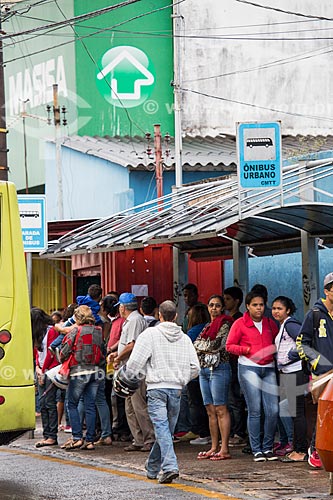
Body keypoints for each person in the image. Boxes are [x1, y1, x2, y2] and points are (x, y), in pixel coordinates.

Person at [126, 300, 200, 484]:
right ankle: (152, 467)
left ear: (160, 315)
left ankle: (169, 467)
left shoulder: (150, 334)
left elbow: (134, 364)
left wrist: (135, 377)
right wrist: (182, 379)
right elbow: (195, 367)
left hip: (156, 388)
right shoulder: (184, 338)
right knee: (165, 430)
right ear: (175, 316)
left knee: (162, 430)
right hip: (176, 389)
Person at [226, 291, 279, 462]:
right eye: (255, 305)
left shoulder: (270, 323)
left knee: (273, 410)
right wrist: (246, 350)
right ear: (247, 306)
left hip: (269, 368)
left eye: (261, 305)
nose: (259, 308)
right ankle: (256, 449)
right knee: (255, 410)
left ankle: (268, 447)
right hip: (249, 368)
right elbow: (229, 346)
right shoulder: (240, 324)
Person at [108, 292, 154, 452]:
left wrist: (118, 357)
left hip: (135, 369)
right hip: (128, 369)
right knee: (130, 406)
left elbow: (132, 345)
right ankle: (139, 438)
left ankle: (149, 438)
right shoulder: (131, 320)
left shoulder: (134, 320)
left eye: (119, 306)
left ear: (123, 307)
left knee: (139, 405)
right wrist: (117, 354)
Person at [297, 273, 333, 469]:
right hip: (323, 373)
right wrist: (317, 362)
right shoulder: (315, 314)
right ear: (326, 291)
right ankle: (315, 450)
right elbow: (302, 344)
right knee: (323, 414)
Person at [59, 305, 105, 451]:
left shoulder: (75, 330)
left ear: (77, 317)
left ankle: (77, 437)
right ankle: (90, 441)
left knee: (71, 404)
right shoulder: (98, 331)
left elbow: (64, 351)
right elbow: (102, 351)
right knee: (90, 405)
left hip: (78, 372)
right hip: (95, 372)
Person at [194, 294, 233, 460]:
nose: (214, 308)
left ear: (222, 307)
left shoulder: (225, 323)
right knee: (210, 410)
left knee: (220, 408)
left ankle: (224, 448)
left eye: (217, 305)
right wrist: (203, 346)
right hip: (204, 369)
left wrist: (201, 346)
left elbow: (216, 346)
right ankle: (213, 446)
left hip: (219, 368)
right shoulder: (207, 326)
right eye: (211, 305)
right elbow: (196, 345)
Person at [272, 296, 308, 462]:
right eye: (274, 308)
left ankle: (300, 451)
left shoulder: (290, 324)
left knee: (297, 413)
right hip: (288, 373)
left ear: (287, 310)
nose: (276, 311)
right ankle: (296, 447)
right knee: (291, 411)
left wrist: (289, 357)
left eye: (279, 308)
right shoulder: (283, 326)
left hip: (295, 373)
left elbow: (304, 343)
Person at [31, 308, 59, 448]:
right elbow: (37, 353)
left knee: (49, 403)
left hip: (50, 370)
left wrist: (42, 370)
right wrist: (37, 368)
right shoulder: (39, 334)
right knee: (42, 404)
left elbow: (51, 352)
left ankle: (52, 435)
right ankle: (46, 434)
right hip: (41, 370)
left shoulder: (51, 331)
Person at [223, 287, 247, 446]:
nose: (225, 302)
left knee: (235, 399)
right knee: (230, 399)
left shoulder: (238, 320)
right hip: (229, 362)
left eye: (228, 299)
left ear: (237, 301)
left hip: (236, 362)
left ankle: (239, 432)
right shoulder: (226, 319)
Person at [50, 284, 103, 354]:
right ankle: (57, 347)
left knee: (64, 335)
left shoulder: (83, 299)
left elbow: (78, 298)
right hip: (75, 322)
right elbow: (94, 316)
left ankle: (53, 346)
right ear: (100, 296)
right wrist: (99, 321)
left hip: (71, 319)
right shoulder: (95, 306)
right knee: (68, 335)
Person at [186, 304, 211, 445]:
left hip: (194, 372)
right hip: (208, 370)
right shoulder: (208, 328)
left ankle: (202, 432)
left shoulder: (192, 332)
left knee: (196, 403)